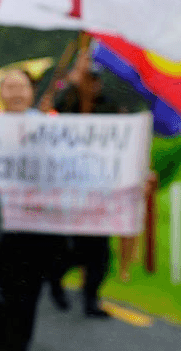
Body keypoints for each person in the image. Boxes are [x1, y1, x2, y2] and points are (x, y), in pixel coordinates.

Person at [0, 69, 69, 351]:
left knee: (27, 295)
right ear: (0, 94)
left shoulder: (49, 127)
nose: (17, 93)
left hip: (35, 229)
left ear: (32, 92)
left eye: (23, 87)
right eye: (11, 87)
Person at [53, 49, 119, 318]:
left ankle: (91, 299)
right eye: (87, 80)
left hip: (99, 191)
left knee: (100, 255)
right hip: (69, 189)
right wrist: (72, 84)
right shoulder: (69, 105)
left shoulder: (109, 109)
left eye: (95, 80)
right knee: (70, 249)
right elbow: (57, 107)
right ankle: (54, 279)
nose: (92, 85)